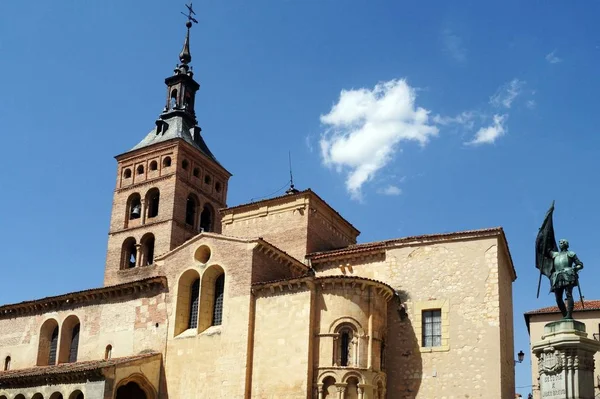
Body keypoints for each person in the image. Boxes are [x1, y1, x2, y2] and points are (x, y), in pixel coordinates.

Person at [546, 239, 583, 319]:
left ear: (566, 244)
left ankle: (569, 315)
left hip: (568, 274)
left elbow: (580, 264)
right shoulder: (555, 254)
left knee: (568, 294)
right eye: (560, 243)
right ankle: (565, 314)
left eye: (562, 243)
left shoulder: (571, 254)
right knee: (558, 298)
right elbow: (546, 250)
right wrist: (545, 235)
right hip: (557, 276)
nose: (560, 244)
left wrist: (575, 269)